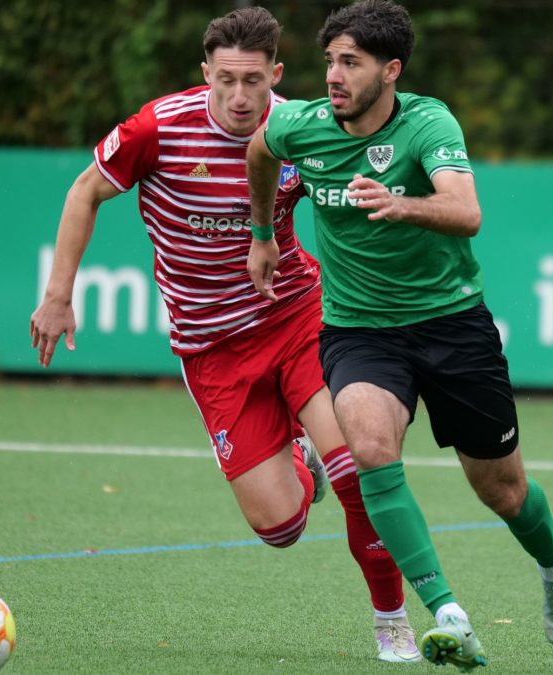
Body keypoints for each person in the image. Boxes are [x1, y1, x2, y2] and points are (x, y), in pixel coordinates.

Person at [29, 7, 422, 664]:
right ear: (205, 72)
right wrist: (57, 295)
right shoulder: (156, 128)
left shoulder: (299, 127)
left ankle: (391, 619)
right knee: (280, 527)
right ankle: (296, 455)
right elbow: (84, 192)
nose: (241, 99)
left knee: (356, 467)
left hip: (299, 319)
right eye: (226, 81)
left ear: (276, 74)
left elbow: (354, 213)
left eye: (255, 83)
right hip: (212, 350)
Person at [244, 0, 553, 670]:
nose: (335, 76)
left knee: (502, 490)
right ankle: (448, 614)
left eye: (352, 63)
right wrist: (261, 234)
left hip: (452, 325)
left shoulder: (428, 122)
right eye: (331, 61)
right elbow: (259, 152)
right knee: (368, 444)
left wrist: (403, 204)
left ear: (391, 69)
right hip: (358, 329)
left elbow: (466, 210)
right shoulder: (299, 126)